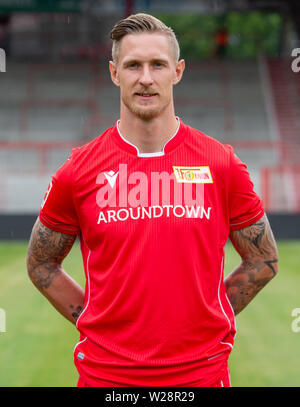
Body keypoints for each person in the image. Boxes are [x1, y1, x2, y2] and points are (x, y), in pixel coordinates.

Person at [26, 13, 278, 387]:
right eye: (133, 66)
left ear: (177, 71)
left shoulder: (220, 164)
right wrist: (93, 318)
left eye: (157, 64)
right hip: (106, 378)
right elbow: (41, 263)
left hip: (200, 376)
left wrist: (208, 315)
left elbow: (264, 259)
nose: (146, 78)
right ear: (115, 73)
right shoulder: (78, 171)